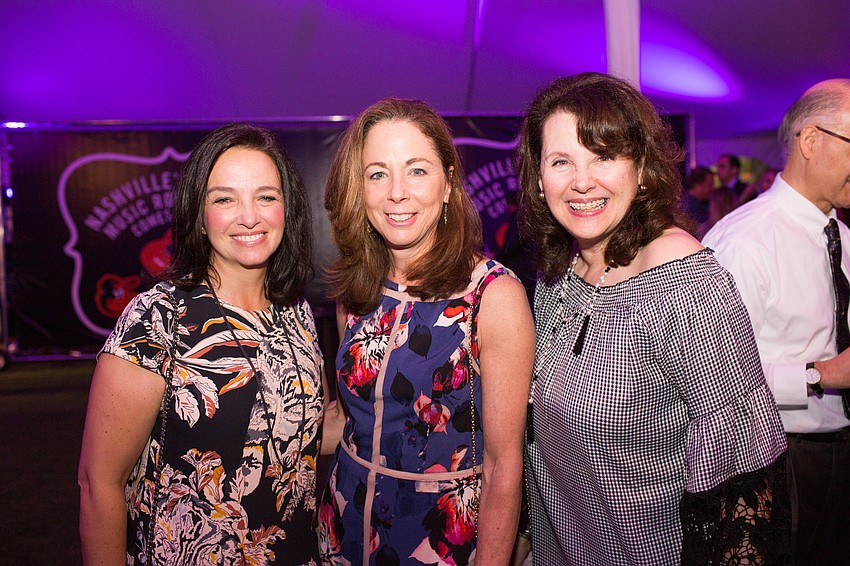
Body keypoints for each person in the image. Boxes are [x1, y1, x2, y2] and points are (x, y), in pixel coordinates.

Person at [518, 72, 791, 564]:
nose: (582, 181)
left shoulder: (686, 285)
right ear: (539, 179)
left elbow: (745, 479)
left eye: (603, 156)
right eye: (561, 161)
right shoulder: (558, 271)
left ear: (641, 167)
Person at [78, 123, 324, 565]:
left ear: (288, 208)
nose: (249, 216)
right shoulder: (157, 318)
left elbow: (306, 431)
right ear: (198, 211)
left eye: (266, 196)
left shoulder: (297, 313)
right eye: (224, 198)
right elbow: (99, 484)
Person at [318, 98, 534, 565]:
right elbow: (347, 415)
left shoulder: (493, 297)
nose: (397, 192)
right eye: (377, 173)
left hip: (437, 539)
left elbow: (503, 466)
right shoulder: (356, 289)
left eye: (416, 170)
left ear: (448, 183)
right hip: (342, 524)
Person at [704, 78, 850, 565]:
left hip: (835, 450)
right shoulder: (744, 242)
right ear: (811, 142)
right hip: (777, 460)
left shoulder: (841, 235)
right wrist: (822, 375)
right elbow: (712, 377)